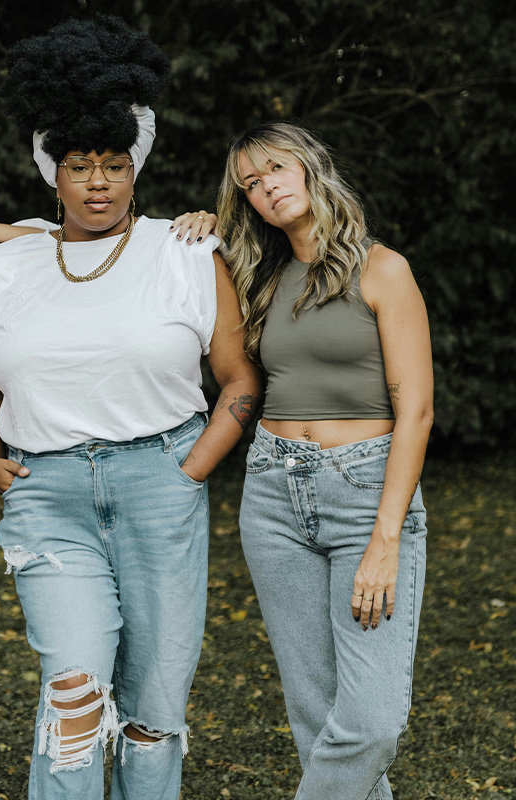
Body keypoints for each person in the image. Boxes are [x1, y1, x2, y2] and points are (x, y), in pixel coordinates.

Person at [0, 16, 261, 800]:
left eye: (114, 165)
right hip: (47, 498)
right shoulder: (1, 266)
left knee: (154, 708)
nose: (97, 183)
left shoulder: (186, 252)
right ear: (52, 173)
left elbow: (240, 382)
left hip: (161, 487)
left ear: (134, 170)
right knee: (74, 693)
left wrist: (190, 471)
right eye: (79, 166)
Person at [217, 121, 432, 799]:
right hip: (273, 495)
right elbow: (106, 237)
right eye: (250, 183)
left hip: (365, 491)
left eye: (276, 168)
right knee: (316, 713)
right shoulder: (260, 276)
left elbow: (416, 412)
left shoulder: (383, 269)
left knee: (369, 722)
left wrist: (386, 540)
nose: (266, 188)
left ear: (310, 166)